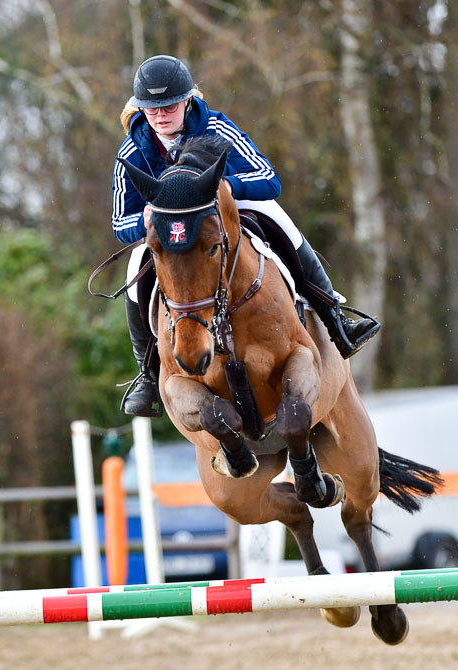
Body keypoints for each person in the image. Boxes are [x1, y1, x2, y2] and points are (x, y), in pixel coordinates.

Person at [112, 55, 379, 417]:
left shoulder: (217, 129)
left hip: (223, 217)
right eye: (152, 107)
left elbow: (269, 178)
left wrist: (228, 186)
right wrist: (142, 221)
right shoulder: (130, 151)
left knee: (277, 216)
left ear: (188, 99)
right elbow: (119, 221)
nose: (160, 115)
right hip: (172, 235)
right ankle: (147, 373)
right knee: (134, 266)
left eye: (169, 105)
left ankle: (334, 317)